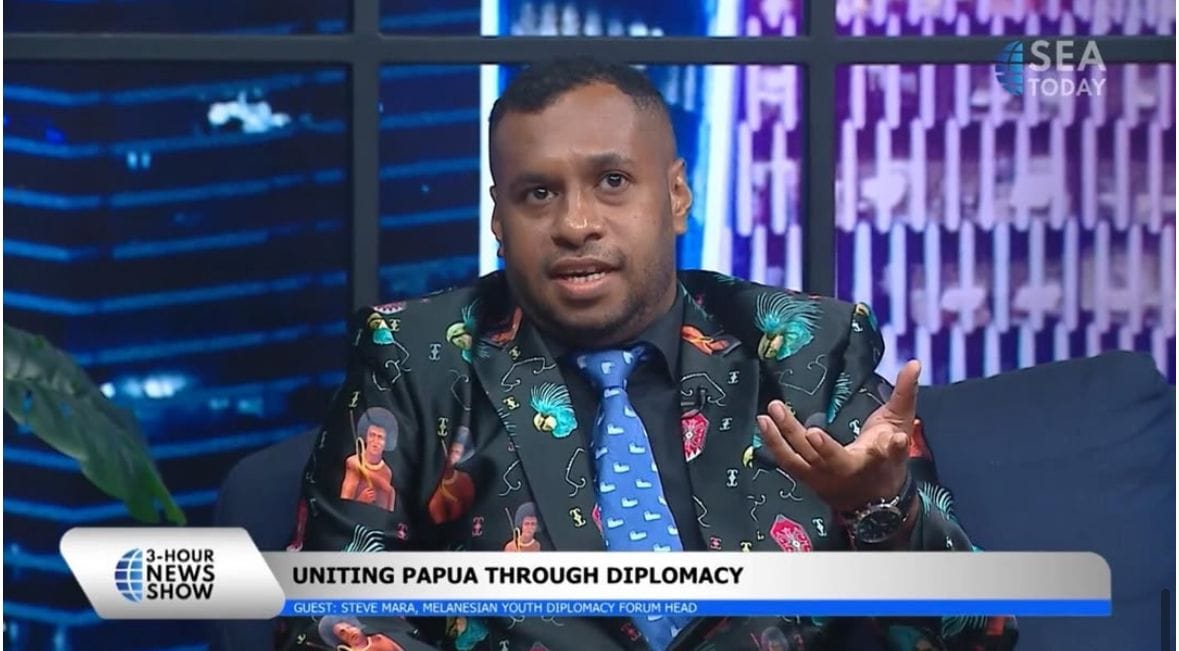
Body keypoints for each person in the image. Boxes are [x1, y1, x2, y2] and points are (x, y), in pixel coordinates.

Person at [281, 57, 1017, 650]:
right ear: (498, 219)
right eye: (537, 194)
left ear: (676, 196)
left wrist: (879, 510)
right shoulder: (415, 356)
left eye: (611, 182)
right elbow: (329, 617)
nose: (575, 224)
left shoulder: (805, 348)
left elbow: (976, 634)